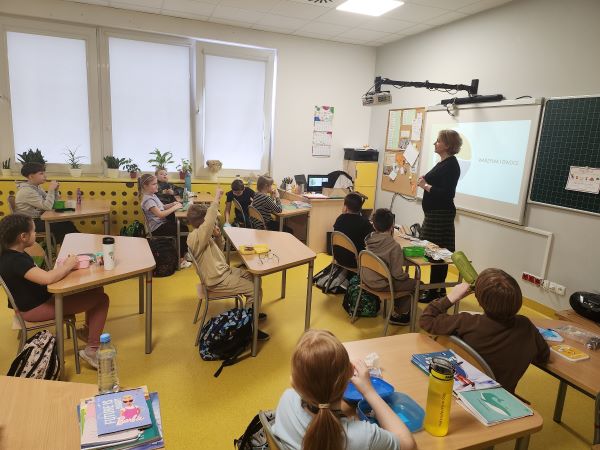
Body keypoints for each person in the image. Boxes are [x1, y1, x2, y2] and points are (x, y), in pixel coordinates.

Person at [272, 329, 416, 450]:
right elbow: (408, 445)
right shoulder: (362, 436)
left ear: (294, 383)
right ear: (350, 375)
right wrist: (369, 391)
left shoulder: (287, 399)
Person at [0, 214, 109, 369]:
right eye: (33, 231)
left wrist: (65, 267)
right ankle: (92, 350)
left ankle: (87, 332)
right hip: (34, 309)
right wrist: (68, 265)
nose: (35, 234)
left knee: (96, 288)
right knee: (102, 300)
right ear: (23, 237)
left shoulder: (13, 254)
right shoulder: (15, 261)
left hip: (41, 298)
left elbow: (41, 276)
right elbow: (47, 279)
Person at [419, 268, 549, 393]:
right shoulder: (526, 326)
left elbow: (426, 320)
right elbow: (543, 357)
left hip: (461, 391)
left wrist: (452, 296)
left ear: (480, 301)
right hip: (504, 397)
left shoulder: (466, 322)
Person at [186, 189, 269, 340]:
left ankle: (252, 313)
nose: (213, 223)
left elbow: (219, 252)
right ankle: (249, 328)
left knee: (255, 278)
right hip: (217, 280)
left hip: (224, 272)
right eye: (209, 222)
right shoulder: (195, 238)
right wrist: (217, 198)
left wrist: (218, 237)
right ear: (203, 222)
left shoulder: (204, 236)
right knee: (253, 289)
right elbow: (209, 220)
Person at [417, 129, 461, 302]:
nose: (435, 143)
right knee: (433, 252)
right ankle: (438, 289)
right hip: (434, 214)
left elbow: (447, 194)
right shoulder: (443, 163)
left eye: (438, 141)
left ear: (448, 145)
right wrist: (426, 180)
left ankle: (435, 291)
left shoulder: (451, 165)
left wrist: (425, 186)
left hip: (440, 215)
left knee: (437, 253)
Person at [363, 208, 417, 326]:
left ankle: (398, 309)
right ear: (392, 226)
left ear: (374, 225)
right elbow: (397, 274)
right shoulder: (394, 246)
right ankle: (401, 314)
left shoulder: (369, 239)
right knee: (416, 284)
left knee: (401, 281)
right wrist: (406, 276)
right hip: (381, 284)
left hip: (366, 279)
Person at [15, 162, 78, 244]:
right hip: (30, 223)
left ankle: (70, 245)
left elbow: (51, 203)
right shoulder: (27, 191)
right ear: (31, 176)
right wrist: (51, 189)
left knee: (67, 223)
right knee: (64, 225)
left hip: (39, 218)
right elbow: (47, 206)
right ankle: (73, 245)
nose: (45, 176)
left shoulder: (37, 187)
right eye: (41, 173)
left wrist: (55, 191)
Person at [139, 173, 191, 269]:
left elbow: (162, 207)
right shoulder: (148, 200)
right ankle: (181, 260)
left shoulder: (152, 196)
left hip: (161, 224)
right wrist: (174, 208)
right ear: (145, 186)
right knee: (181, 230)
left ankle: (184, 254)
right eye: (154, 184)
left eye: (156, 183)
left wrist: (172, 204)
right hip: (157, 228)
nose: (157, 186)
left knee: (183, 227)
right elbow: (160, 214)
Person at [332, 192, 373, 268]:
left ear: (345, 207)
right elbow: (372, 239)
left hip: (338, 258)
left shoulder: (339, 219)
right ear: (360, 208)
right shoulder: (365, 223)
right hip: (355, 261)